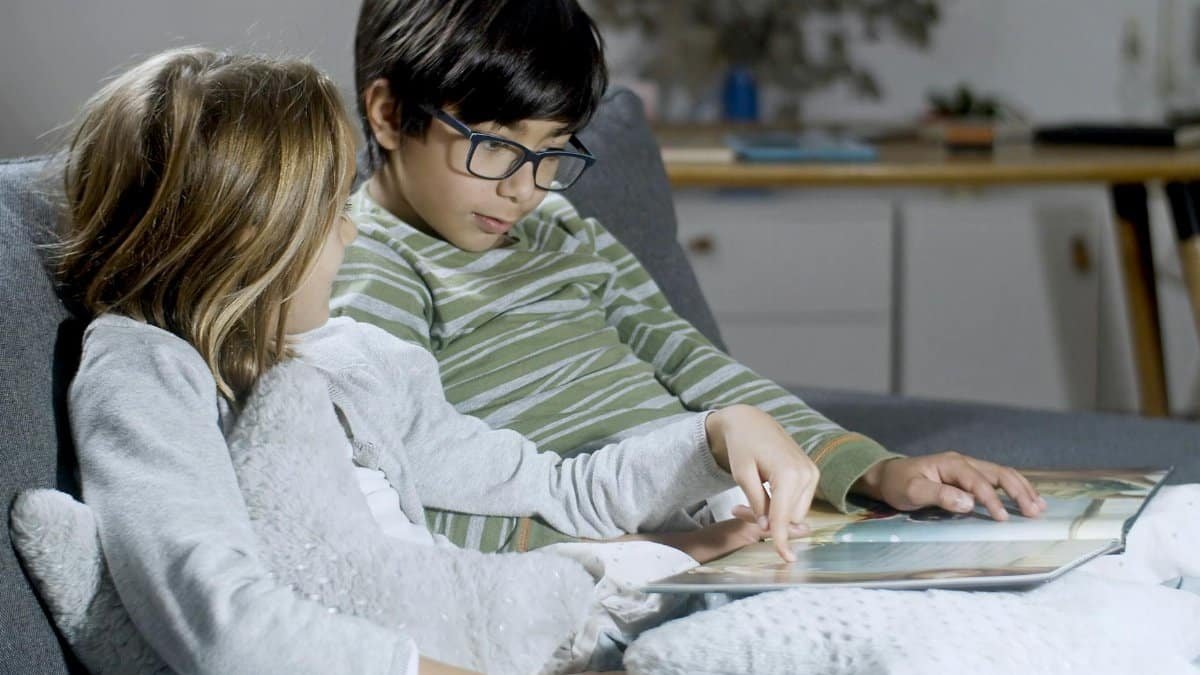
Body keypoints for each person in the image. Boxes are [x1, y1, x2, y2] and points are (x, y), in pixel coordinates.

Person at [57, 47, 863, 674]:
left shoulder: (356, 358)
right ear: (247, 235)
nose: (349, 233)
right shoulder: (145, 371)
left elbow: (551, 483)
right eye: (329, 210)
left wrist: (716, 436)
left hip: (490, 627)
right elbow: (217, 613)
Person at [333, 0, 1047, 554]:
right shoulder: (374, 266)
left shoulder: (557, 224)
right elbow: (399, 484)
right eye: (495, 148)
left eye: (550, 150)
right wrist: (630, 554)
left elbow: (689, 358)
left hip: (719, 510)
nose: (526, 186)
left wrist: (869, 469)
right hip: (604, 546)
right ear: (391, 116)